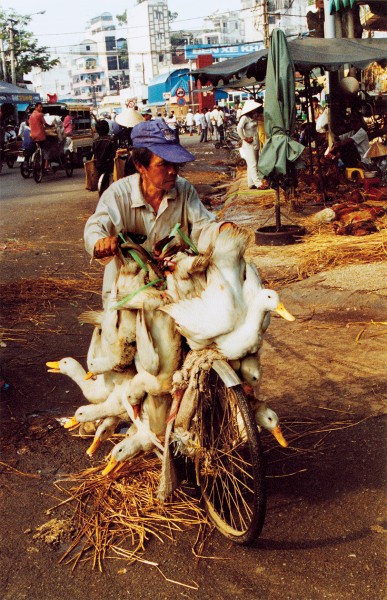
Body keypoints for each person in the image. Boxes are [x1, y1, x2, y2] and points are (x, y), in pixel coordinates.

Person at [84, 119, 235, 305]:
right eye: (163, 164)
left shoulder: (184, 190)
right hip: (129, 295)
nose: (173, 171)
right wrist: (100, 242)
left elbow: (203, 226)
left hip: (174, 290)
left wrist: (221, 230)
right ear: (140, 165)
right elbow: (95, 226)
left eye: (176, 164)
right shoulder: (118, 194)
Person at [237, 99, 267, 190]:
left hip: (255, 142)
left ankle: (251, 183)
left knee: (253, 164)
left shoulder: (254, 117)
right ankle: (258, 184)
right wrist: (244, 138)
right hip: (248, 144)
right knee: (253, 163)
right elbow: (239, 128)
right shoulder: (244, 118)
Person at [92, 119, 116, 196]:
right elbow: (114, 152)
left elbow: (94, 153)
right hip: (109, 164)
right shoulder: (111, 139)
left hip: (98, 165)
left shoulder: (95, 141)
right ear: (107, 128)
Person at [29, 101, 50, 170]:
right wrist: (52, 125)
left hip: (32, 135)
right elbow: (45, 124)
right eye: (40, 107)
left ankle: (36, 158)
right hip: (40, 136)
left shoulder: (31, 115)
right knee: (46, 150)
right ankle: (45, 166)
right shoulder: (40, 115)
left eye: (42, 107)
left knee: (36, 149)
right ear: (36, 107)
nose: (41, 108)